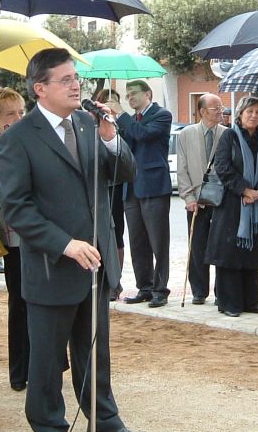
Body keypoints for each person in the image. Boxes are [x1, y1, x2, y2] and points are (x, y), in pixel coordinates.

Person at [0, 48, 147, 432]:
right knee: (47, 354)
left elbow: (123, 174)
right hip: (52, 264)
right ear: (40, 88)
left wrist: (111, 136)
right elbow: (16, 208)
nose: (75, 84)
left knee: (95, 346)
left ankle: (104, 419)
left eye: (75, 78)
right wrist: (64, 243)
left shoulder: (86, 123)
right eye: (64, 80)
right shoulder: (18, 138)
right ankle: (49, 426)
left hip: (95, 261)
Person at [205, 96, 258, 317]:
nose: (253, 115)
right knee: (230, 255)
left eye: (257, 111)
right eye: (249, 111)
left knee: (251, 253)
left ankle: (250, 301)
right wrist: (244, 190)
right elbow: (223, 167)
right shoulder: (229, 135)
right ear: (240, 114)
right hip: (232, 204)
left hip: (256, 205)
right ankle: (229, 303)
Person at [112, 79, 173, 308]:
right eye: (127, 96)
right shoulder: (131, 120)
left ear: (148, 93)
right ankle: (144, 287)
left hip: (154, 186)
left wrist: (121, 116)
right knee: (137, 242)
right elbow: (125, 144)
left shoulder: (161, 115)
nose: (130, 98)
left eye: (133, 94)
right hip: (131, 188)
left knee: (158, 241)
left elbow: (144, 135)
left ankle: (160, 288)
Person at [0, 87, 30, 390]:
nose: (18, 118)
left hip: (42, 236)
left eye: (21, 112)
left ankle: (52, 363)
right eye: (10, 114)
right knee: (18, 302)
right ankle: (18, 369)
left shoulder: (37, 140)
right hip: (14, 235)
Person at [176, 93, 226, 304]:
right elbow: (182, 168)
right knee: (197, 247)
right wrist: (188, 197)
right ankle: (199, 291)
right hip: (196, 199)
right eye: (216, 108)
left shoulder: (226, 134)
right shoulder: (185, 134)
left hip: (220, 200)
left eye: (221, 108)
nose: (221, 112)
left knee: (221, 246)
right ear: (203, 111)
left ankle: (221, 291)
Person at [93, 88, 126, 301]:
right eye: (107, 101)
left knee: (117, 232)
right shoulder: (88, 124)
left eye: (114, 100)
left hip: (115, 185)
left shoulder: (117, 124)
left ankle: (116, 280)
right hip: (97, 186)